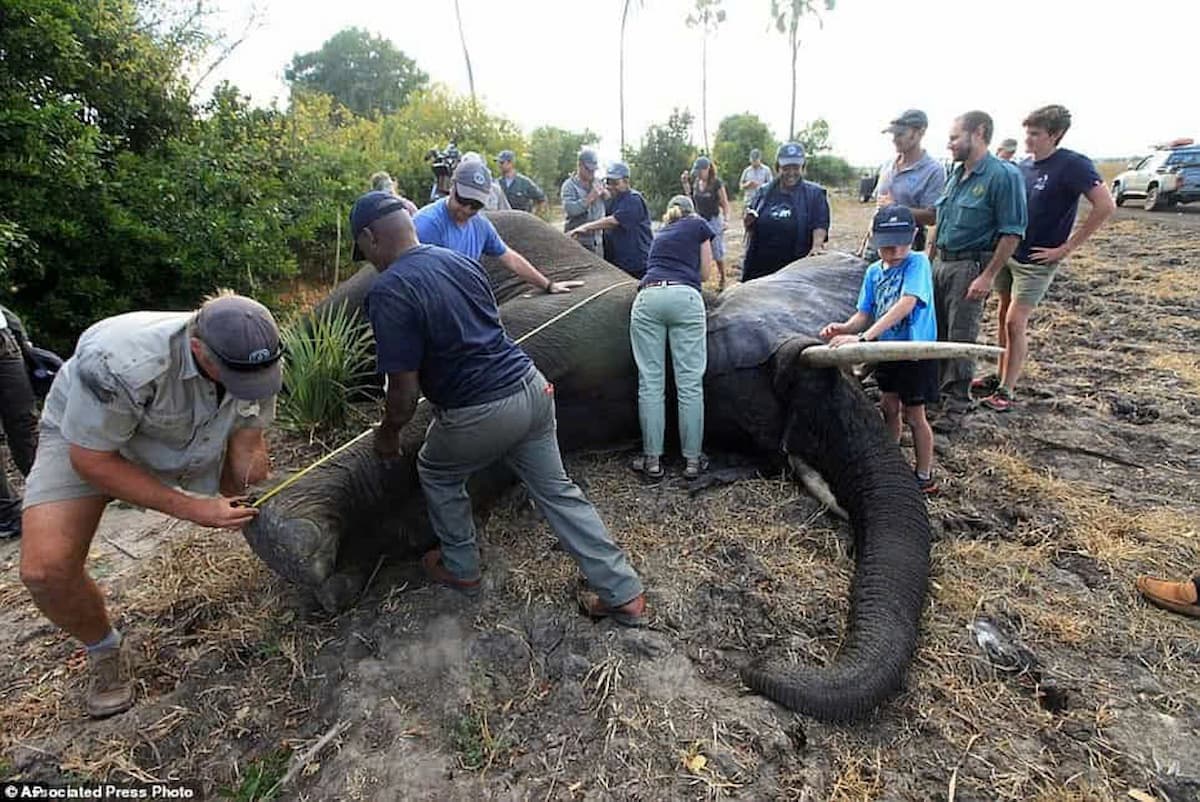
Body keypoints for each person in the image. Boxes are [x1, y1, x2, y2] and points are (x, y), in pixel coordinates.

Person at [350, 192, 646, 625]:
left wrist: (388, 433)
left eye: (362, 250)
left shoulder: (389, 290)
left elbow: (403, 393)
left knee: (436, 469)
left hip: (480, 410)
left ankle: (462, 566)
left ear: (370, 238)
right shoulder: (461, 262)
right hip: (532, 389)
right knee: (557, 490)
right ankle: (623, 592)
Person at [19, 293, 280, 718]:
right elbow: (92, 461)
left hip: (187, 431)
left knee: (256, 477)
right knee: (44, 570)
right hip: (90, 441)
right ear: (198, 348)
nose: (253, 383)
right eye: (236, 375)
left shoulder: (255, 356)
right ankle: (105, 650)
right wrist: (195, 508)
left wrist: (247, 494)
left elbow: (248, 439)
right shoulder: (115, 362)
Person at [976, 105, 1114, 412]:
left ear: (1056, 134)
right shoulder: (1024, 166)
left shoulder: (1073, 165)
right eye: (1027, 132)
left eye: (1036, 134)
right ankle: (999, 375)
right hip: (1012, 253)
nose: (1028, 140)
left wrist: (1065, 248)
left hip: (1038, 261)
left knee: (1015, 321)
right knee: (1002, 316)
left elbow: (1105, 205)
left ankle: (1007, 390)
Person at [820, 205, 939, 494]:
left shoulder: (918, 264)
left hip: (914, 352)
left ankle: (924, 474)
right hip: (885, 351)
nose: (895, 251)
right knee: (888, 406)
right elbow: (864, 313)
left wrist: (863, 339)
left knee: (915, 414)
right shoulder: (873, 271)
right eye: (887, 245)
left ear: (913, 236)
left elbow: (907, 303)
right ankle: (890, 460)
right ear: (874, 238)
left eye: (901, 242)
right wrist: (844, 328)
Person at [931, 111, 1027, 405]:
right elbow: (940, 220)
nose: (950, 145)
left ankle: (957, 401)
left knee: (961, 335)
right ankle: (935, 392)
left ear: (979, 133)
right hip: (941, 262)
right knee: (936, 331)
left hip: (969, 266)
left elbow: (1012, 233)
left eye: (954, 137)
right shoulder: (956, 174)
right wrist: (927, 260)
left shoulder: (1003, 176)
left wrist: (987, 275)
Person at [629, 196, 715, 481]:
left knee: (650, 383)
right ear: (691, 212)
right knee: (690, 383)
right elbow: (704, 273)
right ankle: (692, 461)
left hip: (648, 297)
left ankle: (652, 459)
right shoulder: (698, 224)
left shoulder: (661, 232)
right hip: (684, 297)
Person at [411, 163, 576, 294]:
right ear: (452, 187)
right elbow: (418, 282)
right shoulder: (427, 225)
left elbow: (510, 258)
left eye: (475, 204)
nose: (467, 209)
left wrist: (548, 285)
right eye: (463, 199)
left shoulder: (480, 225)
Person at [741, 142, 831, 282]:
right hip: (761, 268)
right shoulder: (763, 192)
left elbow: (819, 223)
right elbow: (751, 223)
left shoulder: (815, 194)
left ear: (803, 168)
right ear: (777, 168)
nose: (791, 173)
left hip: (795, 269)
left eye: (796, 167)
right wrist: (748, 222)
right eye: (786, 168)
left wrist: (816, 246)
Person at [868, 109, 946, 259]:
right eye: (893, 135)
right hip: (877, 243)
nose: (895, 139)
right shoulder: (888, 165)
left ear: (920, 132)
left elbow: (932, 216)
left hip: (906, 246)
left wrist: (896, 210)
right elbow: (879, 206)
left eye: (900, 134)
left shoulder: (933, 171)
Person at [566, 162, 652, 279]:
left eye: (615, 183)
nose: (611, 186)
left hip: (637, 264)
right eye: (608, 182)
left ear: (626, 181)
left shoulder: (633, 199)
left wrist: (584, 228)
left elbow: (612, 221)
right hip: (618, 261)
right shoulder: (612, 199)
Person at [0, 306, 40, 539]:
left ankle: (51, 494)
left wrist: (18, 333)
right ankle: (8, 514)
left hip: (4, 343)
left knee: (26, 422)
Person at [680, 157, 731, 288]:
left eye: (700, 171)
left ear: (707, 169)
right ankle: (697, 279)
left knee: (717, 251)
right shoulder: (697, 182)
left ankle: (723, 278)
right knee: (697, 250)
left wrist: (726, 220)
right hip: (699, 219)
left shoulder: (716, 183)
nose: (698, 174)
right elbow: (690, 197)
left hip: (713, 220)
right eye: (696, 172)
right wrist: (685, 183)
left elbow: (725, 203)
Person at [561, 148, 609, 256]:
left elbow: (610, 200)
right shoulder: (569, 186)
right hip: (577, 241)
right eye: (588, 169)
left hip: (597, 240)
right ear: (580, 165)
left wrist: (606, 194)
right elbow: (571, 210)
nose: (592, 172)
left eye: (594, 170)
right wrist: (590, 198)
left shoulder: (598, 182)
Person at [495, 150, 547, 214]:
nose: (499, 165)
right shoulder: (496, 183)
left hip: (521, 222)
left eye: (502, 162)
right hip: (502, 221)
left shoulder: (525, 183)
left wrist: (535, 216)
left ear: (511, 163)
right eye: (498, 163)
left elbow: (541, 199)